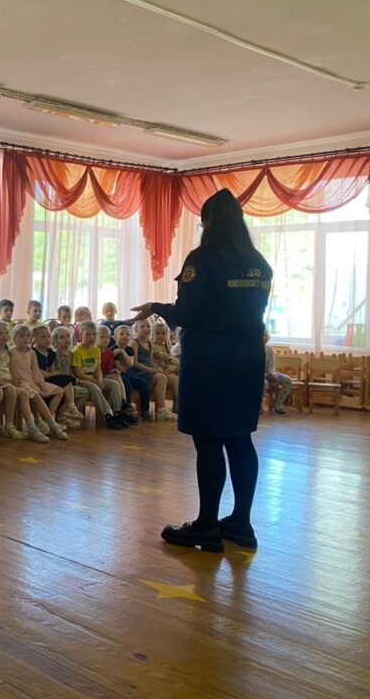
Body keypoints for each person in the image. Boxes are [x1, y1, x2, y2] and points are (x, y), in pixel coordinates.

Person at [131, 188, 272, 553]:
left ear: (209, 221)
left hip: (211, 360)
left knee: (208, 440)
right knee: (239, 438)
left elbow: (190, 314)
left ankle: (207, 525)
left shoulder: (202, 259)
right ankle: (241, 523)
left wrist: (157, 306)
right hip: (248, 359)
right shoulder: (259, 263)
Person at [0, 322, 49, 443]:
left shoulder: (8, 351)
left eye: (6, 333)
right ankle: (32, 425)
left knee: (28, 392)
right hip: (0, 382)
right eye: (0, 333)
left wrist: (16, 380)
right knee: (26, 390)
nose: (4, 336)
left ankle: (45, 424)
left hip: (14, 382)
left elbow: (15, 373)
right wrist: (11, 381)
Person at [9, 325, 68, 440]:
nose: (25, 338)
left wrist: (41, 384)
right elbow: (15, 375)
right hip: (21, 383)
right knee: (35, 393)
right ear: (14, 338)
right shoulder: (12, 353)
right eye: (21, 336)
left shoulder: (31, 353)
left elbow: (36, 371)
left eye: (27, 336)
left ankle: (47, 421)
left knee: (59, 391)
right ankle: (45, 426)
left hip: (33, 381)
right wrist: (34, 386)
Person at [71, 322, 128, 430]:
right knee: (95, 387)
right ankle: (108, 416)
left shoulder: (96, 350)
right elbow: (78, 373)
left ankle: (117, 413)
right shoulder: (77, 351)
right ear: (81, 335)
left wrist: (100, 379)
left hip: (94, 378)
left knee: (114, 384)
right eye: (88, 334)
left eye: (94, 334)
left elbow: (98, 369)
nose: (92, 337)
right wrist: (95, 382)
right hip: (82, 380)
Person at [31, 326, 81, 428]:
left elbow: (52, 370)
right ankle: (54, 417)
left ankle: (52, 418)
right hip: (36, 379)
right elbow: (36, 371)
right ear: (35, 339)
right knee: (66, 380)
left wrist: (56, 374)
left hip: (47, 378)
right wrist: (53, 374)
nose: (47, 339)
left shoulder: (50, 353)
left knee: (66, 383)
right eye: (43, 337)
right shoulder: (33, 352)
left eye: (48, 336)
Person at [128, 320, 177, 421]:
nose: (146, 329)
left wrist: (158, 369)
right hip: (137, 373)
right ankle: (161, 411)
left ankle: (179, 406)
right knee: (160, 377)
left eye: (148, 326)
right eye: (142, 327)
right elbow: (134, 363)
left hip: (148, 372)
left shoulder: (149, 344)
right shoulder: (134, 342)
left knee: (174, 379)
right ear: (136, 329)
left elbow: (151, 362)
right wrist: (151, 370)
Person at [112, 325, 151, 420]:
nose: (125, 336)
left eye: (128, 334)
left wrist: (122, 352)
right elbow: (121, 369)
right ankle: (127, 411)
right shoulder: (113, 350)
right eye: (121, 334)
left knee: (145, 384)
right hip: (119, 376)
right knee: (127, 385)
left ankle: (145, 411)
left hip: (129, 374)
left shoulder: (129, 349)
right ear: (115, 337)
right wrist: (125, 365)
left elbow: (130, 364)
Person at [263, 329, 291, 414]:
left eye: (266, 335)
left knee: (287, 380)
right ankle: (259, 407)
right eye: (263, 335)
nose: (264, 337)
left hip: (270, 372)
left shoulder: (269, 349)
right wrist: (266, 375)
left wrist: (271, 374)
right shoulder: (252, 349)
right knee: (264, 383)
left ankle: (278, 405)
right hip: (258, 374)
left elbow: (271, 365)